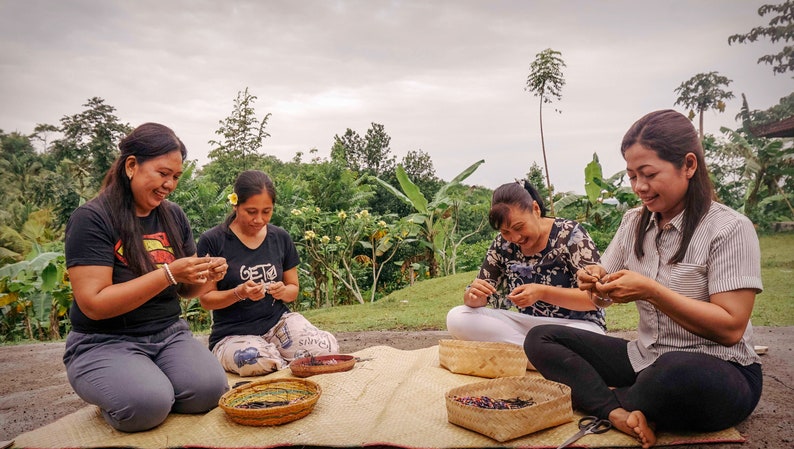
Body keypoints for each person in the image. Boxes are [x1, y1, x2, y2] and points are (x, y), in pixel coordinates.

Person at [524, 109, 763, 448]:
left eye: (648, 174)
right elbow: (600, 293)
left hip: (718, 369)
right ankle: (621, 411)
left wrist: (652, 291)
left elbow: (730, 328)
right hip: (645, 357)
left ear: (689, 165)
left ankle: (606, 400)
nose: (639, 187)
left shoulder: (729, 229)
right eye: (632, 175)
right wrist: (595, 281)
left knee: (673, 372)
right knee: (541, 338)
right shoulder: (634, 222)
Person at [62, 123, 230, 433]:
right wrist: (167, 273)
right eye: (163, 173)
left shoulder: (173, 215)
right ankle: (132, 386)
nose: (170, 184)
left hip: (168, 334)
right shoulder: (92, 218)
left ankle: (147, 380)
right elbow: (94, 304)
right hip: (104, 342)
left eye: (176, 177)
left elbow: (186, 290)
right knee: (146, 406)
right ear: (131, 166)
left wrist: (206, 273)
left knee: (210, 391)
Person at [197, 170, 339, 377]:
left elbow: (293, 289)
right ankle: (280, 361)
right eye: (251, 211)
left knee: (325, 349)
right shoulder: (213, 240)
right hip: (232, 333)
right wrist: (239, 293)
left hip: (278, 323)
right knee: (255, 360)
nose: (259, 219)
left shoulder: (280, 238)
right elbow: (206, 300)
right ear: (235, 205)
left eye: (266, 211)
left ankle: (281, 360)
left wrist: (282, 291)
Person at [446, 179, 606, 351]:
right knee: (457, 317)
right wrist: (472, 297)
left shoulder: (570, 233)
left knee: (583, 339)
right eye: (505, 232)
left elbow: (595, 299)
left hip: (576, 326)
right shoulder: (502, 245)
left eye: (519, 227)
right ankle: (544, 355)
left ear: (535, 209)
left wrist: (542, 292)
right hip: (528, 329)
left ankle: (528, 353)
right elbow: (482, 292)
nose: (514, 238)